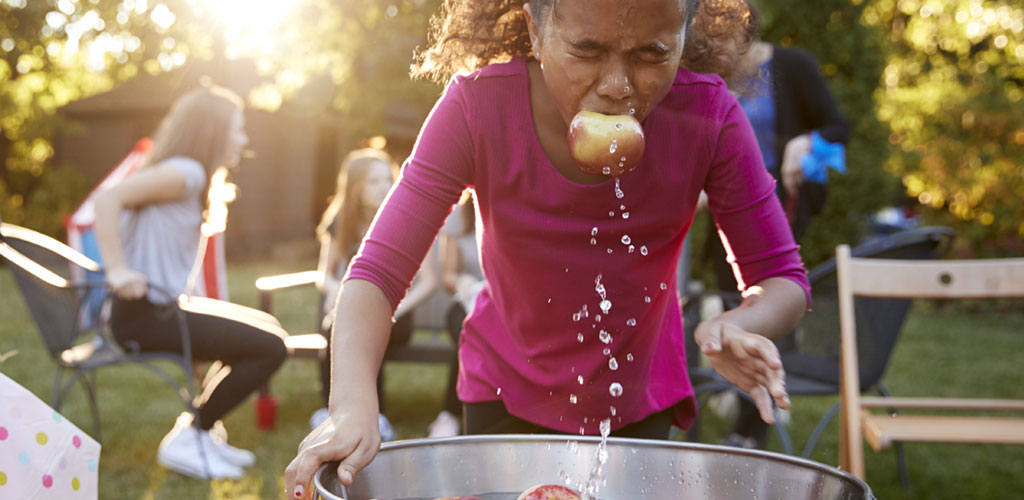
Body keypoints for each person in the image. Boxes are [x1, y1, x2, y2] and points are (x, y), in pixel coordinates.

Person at [286, 0, 810, 496]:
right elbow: (377, 272)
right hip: (503, 395)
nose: (616, 86)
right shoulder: (478, 107)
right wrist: (352, 404)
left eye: (651, 54)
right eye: (586, 51)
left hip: (640, 399)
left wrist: (741, 323)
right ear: (536, 30)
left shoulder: (709, 116)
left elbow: (782, 276)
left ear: (683, 35)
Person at [93, 86, 288, 480]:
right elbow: (106, 200)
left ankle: (198, 432)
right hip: (144, 314)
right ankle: (193, 433)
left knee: (266, 331)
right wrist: (116, 270)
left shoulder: (194, 176)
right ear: (213, 131)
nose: (243, 138)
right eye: (237, 128)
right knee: (271, 348)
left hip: (163, 309)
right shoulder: (187, 172)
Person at [692, 0, 850, 449]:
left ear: (743, 30)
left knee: (763, 305)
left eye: (722, 39)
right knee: (731, 308)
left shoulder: (791, 66)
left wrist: (807, 141)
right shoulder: (709, 76)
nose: (714, 51)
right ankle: (742, 407)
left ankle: (750, 428)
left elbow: (838, 125)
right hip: (724, 207)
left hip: (777, 205)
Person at [309, 148, 442, 441]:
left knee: (365, 326)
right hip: (351, 309)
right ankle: (331, 412)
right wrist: (338, 293)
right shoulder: (341, 221)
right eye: (374, 181)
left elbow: (429, 282)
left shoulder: (408, 219)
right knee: (337, 325)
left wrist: (393, 309)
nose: (384, 186)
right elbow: (324, 275)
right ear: (355, 188)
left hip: (398, 313)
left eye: (387, 179)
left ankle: (374, 414)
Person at [428, 193, 485, 438]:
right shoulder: (459, 218)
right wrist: (463, 281)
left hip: (508, 305)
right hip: (467, 302)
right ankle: (451, 413)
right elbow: (448, 276)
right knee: (470, 330)